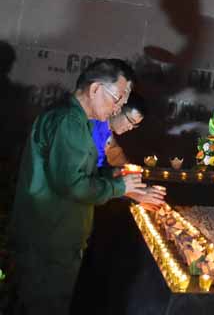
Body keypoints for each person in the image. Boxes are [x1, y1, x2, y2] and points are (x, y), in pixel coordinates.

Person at [9, 59, 148, 314]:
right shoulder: (69, 122)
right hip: (49, 242)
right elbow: (73, 186)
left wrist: (111, 173)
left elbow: (76, 173)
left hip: (58, 238)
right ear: (95, 89)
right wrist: (119, 188)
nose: (118, 108)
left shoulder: (79, 121)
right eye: (118, 99)